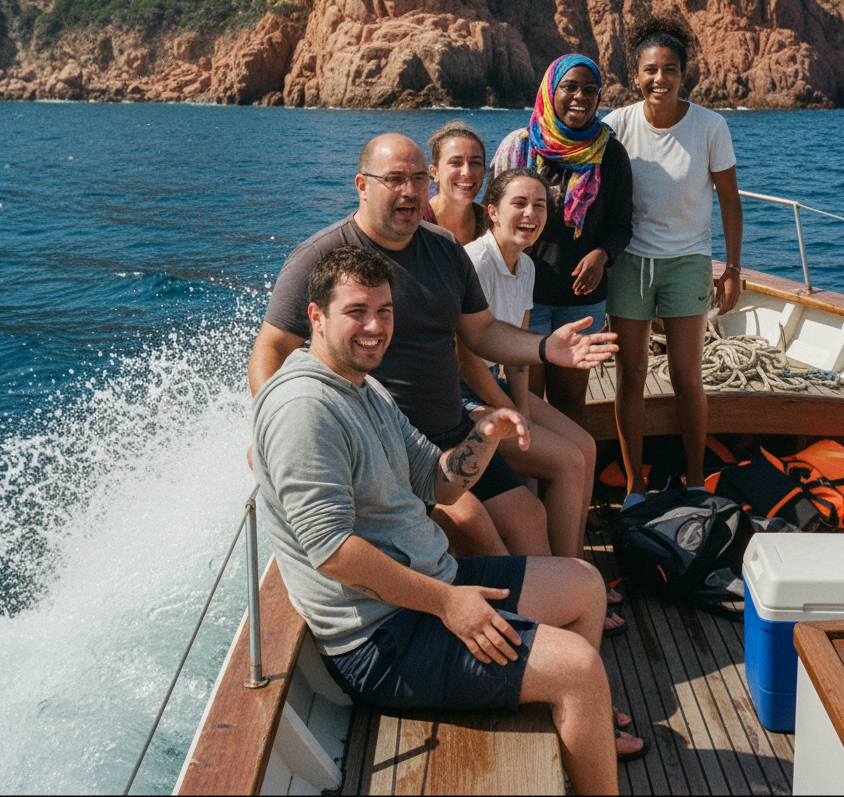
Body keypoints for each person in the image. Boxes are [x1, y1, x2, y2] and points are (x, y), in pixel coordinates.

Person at [251, 244, 644, 789]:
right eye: (356, 312)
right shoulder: (305, 410)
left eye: (384, 312)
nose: (375, 327)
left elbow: (436, 480)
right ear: (315, 317)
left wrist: (484, 434)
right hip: (382, 637)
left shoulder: (365, 386)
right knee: (578, 668)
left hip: (432, 587)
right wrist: (450, 604)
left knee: (583, 583)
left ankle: (568, 719)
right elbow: (333, 553)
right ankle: (573, 704)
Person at [247, 133, 619, 561]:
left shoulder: (443, 248)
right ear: (362, 186)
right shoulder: (323, 255)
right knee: (480, 535)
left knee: (530, 520)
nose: (410, 191)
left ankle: (555, 610)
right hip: (388, 450)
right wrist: (273, 429)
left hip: (455, 431)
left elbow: (480, 332)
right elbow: (271, 350)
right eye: (395, 179)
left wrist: (544, 347)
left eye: (419, 179)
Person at [457, 168, 626, 635]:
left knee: (585, 448)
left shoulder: (527, 265)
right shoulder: (474, 263)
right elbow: (468, 361)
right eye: (519, 204)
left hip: (504, 392)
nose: (530, 214)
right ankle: (570, 588)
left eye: (540, 205)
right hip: (469, 399)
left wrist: (526, 411)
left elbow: (519, 351)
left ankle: (578, 577)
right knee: (568, 462)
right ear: (491, 211)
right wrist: (511, 414)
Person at [603, 15, 743, 506]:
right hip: (630, 262)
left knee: (687, 375)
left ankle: (695, 478)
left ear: (685, 75)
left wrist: (732, 268)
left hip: (688, 262)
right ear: (635, 75)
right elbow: (580, 171)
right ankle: (635, 488)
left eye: (669, 69)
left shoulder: (710, 126)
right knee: (632, 374)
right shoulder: (617, 124)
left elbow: (729, 200)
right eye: (649, 70)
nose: (658, 79)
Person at [491, 54, 634, 431]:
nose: (580, 97)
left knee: (571, 401)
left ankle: (574, 483)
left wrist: (601, 256)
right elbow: (491, 215)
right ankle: (532, 486)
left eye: (590, 89)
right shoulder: (519, 148)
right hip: (526, 297)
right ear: (550, 91)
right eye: (569, 87)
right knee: (526, 400)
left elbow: (622, 225)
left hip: (581, 303)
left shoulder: (610, 153)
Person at [422, 120, 490, 244]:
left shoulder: (492, 223)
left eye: (475, 163)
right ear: (435, 172)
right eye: (455, 163)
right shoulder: (417, 223)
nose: (467, 172)